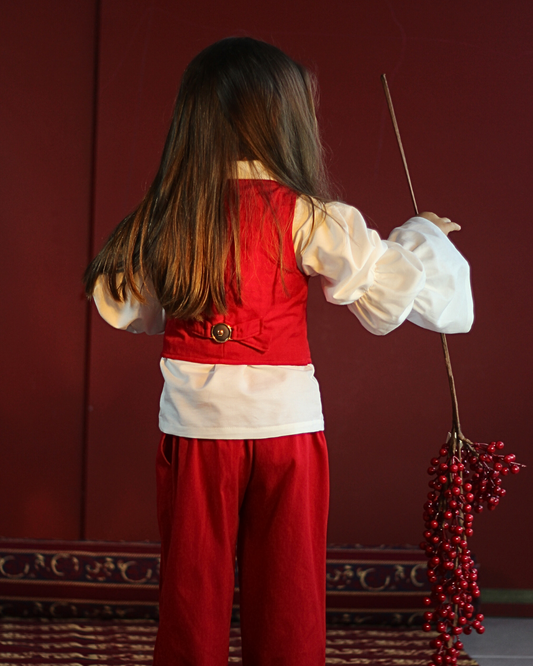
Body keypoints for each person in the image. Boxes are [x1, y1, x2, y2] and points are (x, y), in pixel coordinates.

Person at [84, 36, 473, 666]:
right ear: (286, 118)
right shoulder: (308, 216)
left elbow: (130, 305)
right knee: (291, 592)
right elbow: (385, 288)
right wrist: (423, 234)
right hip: (286, 430)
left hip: (196, 430)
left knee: (191, 591)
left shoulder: (167, 215)